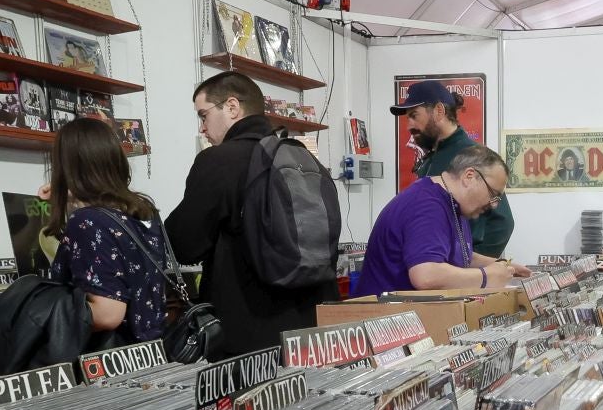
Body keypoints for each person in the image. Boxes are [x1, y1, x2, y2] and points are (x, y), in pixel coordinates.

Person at [166, 72, 333, 357]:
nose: (202, 128)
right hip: (312, 322)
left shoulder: (218, 161)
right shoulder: (305, 157)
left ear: (232, 107)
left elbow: (183, 244)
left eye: (204, 115)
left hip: (248, 328)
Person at [43, 118, 167, 345]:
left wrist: (41, 317)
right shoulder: (144, 212)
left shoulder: (87, 221)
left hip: (109, 361)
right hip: (151, 351)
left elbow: (109, 314)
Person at [353, 145, 532, 295]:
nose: (493, 205)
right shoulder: (427, 205)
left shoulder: (453, 204)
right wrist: (486, 276)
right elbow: (426, 275)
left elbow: (459, 253)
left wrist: (501, 266)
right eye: (493, 194)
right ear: (469, 177)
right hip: (386, 324)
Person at [394, 79, 515, 257]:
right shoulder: (430, 159)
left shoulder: (472, 156)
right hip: (431, 264)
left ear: (439, 111)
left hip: (452, 276)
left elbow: (503, 223)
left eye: (414, 115)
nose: (409, 125)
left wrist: (471, 266)